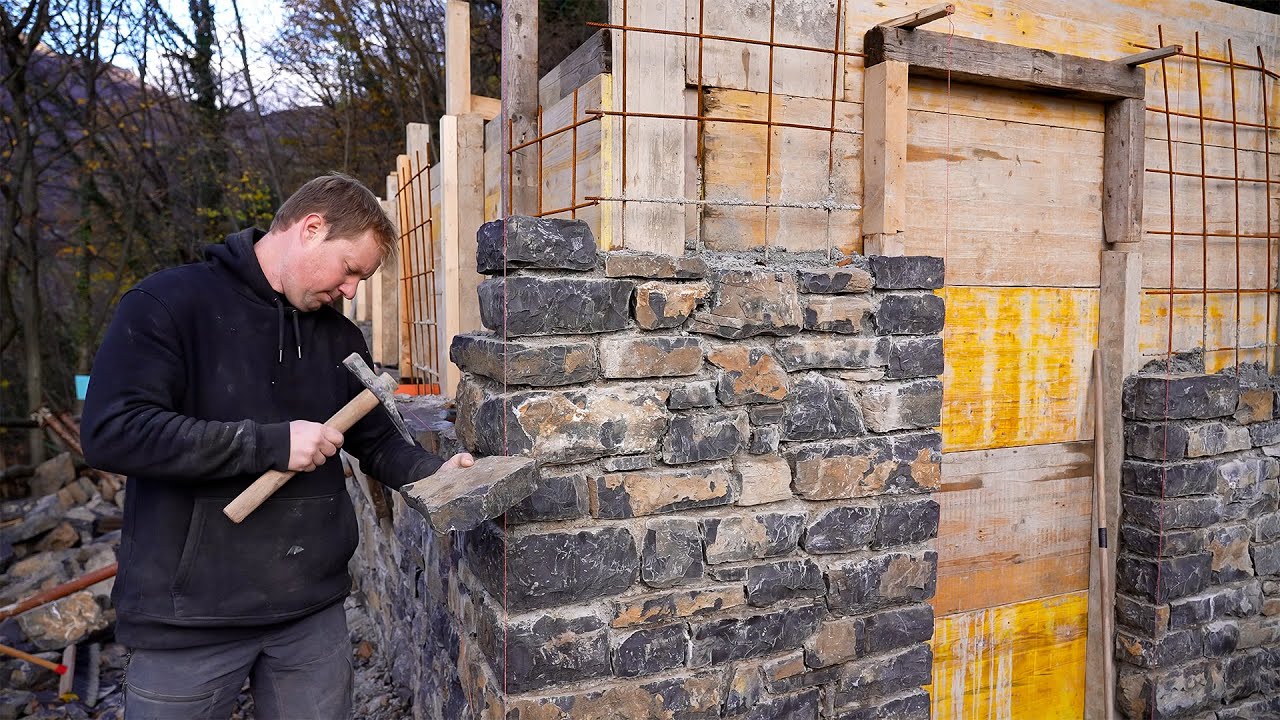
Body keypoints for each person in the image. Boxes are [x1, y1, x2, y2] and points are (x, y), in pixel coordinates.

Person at [81, 173, 472, 719]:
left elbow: (378, 441)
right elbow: (113, 431)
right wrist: (264, 444)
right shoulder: (167, 305)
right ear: (311, 228)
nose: (352, 291)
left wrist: (437, 473)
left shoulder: (339, 338)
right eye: (351, 270)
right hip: (189, 618)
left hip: (308, 615)